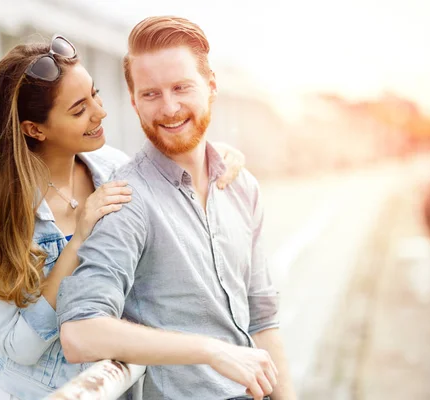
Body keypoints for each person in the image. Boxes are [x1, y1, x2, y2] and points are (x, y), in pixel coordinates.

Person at [0, 34, 246, 400]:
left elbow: (172, 177)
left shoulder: (113, 167)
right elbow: (19, 346)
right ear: (35, 129)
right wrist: (79, 240)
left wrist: (216, 154)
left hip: (112, 387)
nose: (100, 112)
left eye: (95, 93)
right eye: (79, 110)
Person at [57, 16, 297, 400]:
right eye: (151, 94)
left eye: (181, 87)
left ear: (211, 85)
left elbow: (264, 320)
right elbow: (80, 332)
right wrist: (210, 350)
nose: (169, 108)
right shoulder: (126, 200)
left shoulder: (242, 187)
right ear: (133, 101)